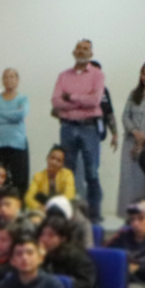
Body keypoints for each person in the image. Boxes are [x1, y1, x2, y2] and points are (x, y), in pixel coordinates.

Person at [51, 40, 107, 221]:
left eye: (85, 49)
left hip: (89, 128)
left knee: (92, 172)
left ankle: (94, 215)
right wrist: (82, 100)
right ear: (73, 51)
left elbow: (95, 101)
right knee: (66, 171)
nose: (82, 51)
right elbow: (56, 102)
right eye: (79, 48)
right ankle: (66, 213)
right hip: (67, 126)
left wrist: (71, 97)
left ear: (91, 54)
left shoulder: (98, 75)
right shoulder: (63, 76)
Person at [116, 62, 145, 214]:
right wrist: (135, 132)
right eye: (144, 73)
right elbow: (125, 116)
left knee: (144, 179)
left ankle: (144, 213)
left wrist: (144, 137)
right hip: (130, 141)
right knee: (128, 179)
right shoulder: (134, 94)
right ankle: (127, 213)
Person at [25, 146, 77, 212]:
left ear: (62, 164)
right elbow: (28, 197)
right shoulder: (38, 176)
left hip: (61, 208)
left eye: (58, 160)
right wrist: (39, 207)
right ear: (47, 158)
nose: (54, 162)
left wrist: (55, 208)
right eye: (52, 158)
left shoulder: (68, 174)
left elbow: (69, 195)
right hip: (43, 208)